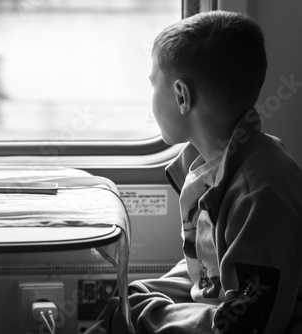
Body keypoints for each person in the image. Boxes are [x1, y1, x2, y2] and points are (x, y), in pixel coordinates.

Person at [105, 10, 302, 334]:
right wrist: (138, 299)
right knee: (125, 300)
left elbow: (247, 324)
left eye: (154, 85)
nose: (151, 100)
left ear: (182, 96)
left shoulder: (260, 196)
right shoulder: (210, 168)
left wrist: (148, 316)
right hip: (217, 309)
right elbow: (209, 274)